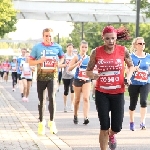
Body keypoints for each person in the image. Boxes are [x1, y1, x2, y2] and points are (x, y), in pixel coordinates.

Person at [85, 25, 135, 150]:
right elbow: (88, 71)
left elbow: (131, 66)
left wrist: (128, 77)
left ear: (116, 37)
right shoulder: (96, 52)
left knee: (117, 126)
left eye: (113, 38)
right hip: (102, 92)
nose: (111, 41)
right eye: (107, 39)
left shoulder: (123, 50)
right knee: (104, 125)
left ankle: (112, 135)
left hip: (118, 92)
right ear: (103, 38)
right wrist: (93, 75)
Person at [29, 28, 64, 135]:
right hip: (40, 77)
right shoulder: (37, 47)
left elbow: (62, 58)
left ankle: (52, 122)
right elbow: (30, 62)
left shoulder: (57, 47)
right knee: (41, 100)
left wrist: (59, 63)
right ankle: (41, 123)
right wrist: (40, 61)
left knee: (52, 98)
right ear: (43, 36)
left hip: (52, 76)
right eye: (46, 36)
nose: (48, 38)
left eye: (50, 36)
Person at [128, 37, 150, 131]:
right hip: (134, 83)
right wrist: (133, 70)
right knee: (133, 104)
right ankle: (132, 122)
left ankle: (142, 122)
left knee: (144, 101)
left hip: (145, 82)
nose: (142, 45)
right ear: (135, 45)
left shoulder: (148, 56)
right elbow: (127, 69)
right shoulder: (131, 57)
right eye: (140, 44)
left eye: (143, 43)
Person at [68, 40, 91, 125]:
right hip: (77, 80)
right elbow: (69, 68)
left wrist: (89, 75)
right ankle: (75, 115)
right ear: (79, 48)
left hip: (86, 80)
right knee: (77, 100)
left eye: (85, 47)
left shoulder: (89, 58)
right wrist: (77, 64)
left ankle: (86, 117)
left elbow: (92, 70)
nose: (84, 49)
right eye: (82, 47)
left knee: (86, 98)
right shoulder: (76, 57)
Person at [59, 43, 75, 112]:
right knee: (66, 91)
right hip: (65, 75)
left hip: (73, 75)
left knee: (72, 89)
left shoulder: (75, 56)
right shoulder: (64, 56)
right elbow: (59, 65)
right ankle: (65, 105)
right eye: (69, 47)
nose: (70, 49)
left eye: (71, 47)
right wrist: (65, 65)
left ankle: (72, 104)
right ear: (67, 48)